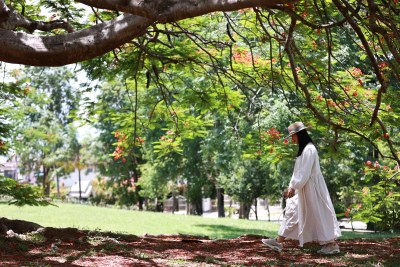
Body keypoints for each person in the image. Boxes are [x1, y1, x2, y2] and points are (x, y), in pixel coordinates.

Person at [262, 122, 341, 255]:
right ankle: (278, 241)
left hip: (312, 189)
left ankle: (331, 244)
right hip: (303, 187)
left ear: (299, 135)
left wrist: (294, 187)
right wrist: (291, 186)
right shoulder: (304, 150)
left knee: (319, 214)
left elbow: (305, 173)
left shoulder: (309, 149)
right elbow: (297, 172)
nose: (292, 139)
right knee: (292, 211)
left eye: (293, 136)